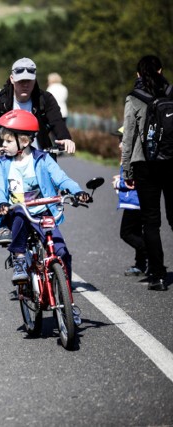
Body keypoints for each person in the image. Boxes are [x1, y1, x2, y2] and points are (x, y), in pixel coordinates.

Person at [0, 109, 90, 324]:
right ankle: (18, 260)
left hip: (43, 211)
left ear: (24, 141)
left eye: (8, 141)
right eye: (3, 141)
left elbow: (62, 179)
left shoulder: (43, 159)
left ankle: (68, 303)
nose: (3, 145)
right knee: (18, 213)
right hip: (19, 211)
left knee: (62, 253)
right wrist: (1, 203)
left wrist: (77, 191)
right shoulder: (2, 163)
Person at [0, 57, 76, 246]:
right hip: (10, 159)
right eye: (21, 80)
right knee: (8, 195)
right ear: (12, 79)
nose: (25, 84)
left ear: (35, 79)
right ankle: (8, 228)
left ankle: (49, 244)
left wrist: (65, 137)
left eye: (29, 80)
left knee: (48, 198)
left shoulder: (44, 99)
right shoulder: (0, 102)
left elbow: (56, 121)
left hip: (39, 157)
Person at [121, 55, 172, 291]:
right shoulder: (171, 93)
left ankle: (158, 276)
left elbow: (128, 136)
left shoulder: (134, 98)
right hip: (171, 161)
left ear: (138, 75)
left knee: (151, 222)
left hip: (145, 164)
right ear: (161, 70)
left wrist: (126, 170)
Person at [111, 127, 147, 276]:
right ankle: (140, 264)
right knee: (138, 233)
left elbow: (133, 181)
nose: (119, 145)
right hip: (135, 202)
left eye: (122, 140)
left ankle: (151, 254)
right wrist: (120, 178)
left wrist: (118, 184)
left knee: (126, 233)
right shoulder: (132, 156)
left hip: (135, 203)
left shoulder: (132, 159)